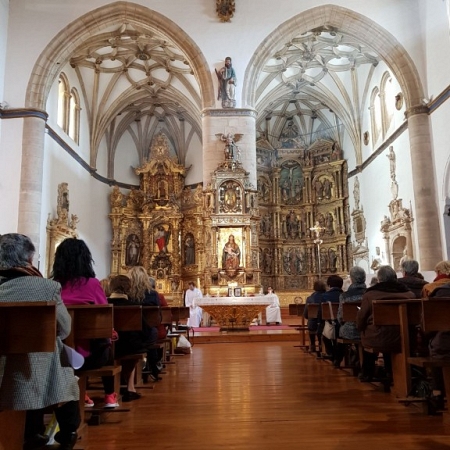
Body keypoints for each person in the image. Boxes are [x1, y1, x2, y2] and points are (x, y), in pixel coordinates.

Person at [0, 233, 80, 450]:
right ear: (28, 259)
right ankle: (68, 430)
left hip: (2, 368)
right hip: (39, 369)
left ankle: (32, 431)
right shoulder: (46, 287)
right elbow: (65, 328)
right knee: (57, 364)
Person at [52, 238, 119, 409]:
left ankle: (83, 393)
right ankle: (109, 395)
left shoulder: (52, 286)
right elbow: (105, 318)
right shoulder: (93, 284)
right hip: (88, 357)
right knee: (108, 345)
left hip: (56, 356)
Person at [356, 265, 415, 381]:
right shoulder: (409, 294)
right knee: (390, 335)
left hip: (378, 337)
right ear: (395, 277)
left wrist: (360, 327)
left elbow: (361, 319)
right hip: (405, 336)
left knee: (374, 335)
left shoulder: (370, 295)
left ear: (379, 279)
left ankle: (367, 372)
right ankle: (391, 371)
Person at [107, 275, 145, 402]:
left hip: (108, 345)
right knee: (134, 348)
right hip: (129, 346)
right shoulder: (134, 305)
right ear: (128, 288)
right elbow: (143, 326)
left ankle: (112, 390)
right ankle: (130, 387)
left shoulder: (104, 304)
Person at [128, 266, 162, 382]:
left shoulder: (127, 295)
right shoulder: (152, 294)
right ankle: (153, 369)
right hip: (147, 334)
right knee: (151, 333)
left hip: (129, 336)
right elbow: (158, 318)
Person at [335, 267, 367, 368]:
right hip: (368, 330)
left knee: (341, 331)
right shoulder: (370, 294)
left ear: (351, 279)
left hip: (351, 330)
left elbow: (340, 317)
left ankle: (338, 360)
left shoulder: (345, 296)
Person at [321, 275, 344, 361]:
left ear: (329, 285)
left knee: (324, 334)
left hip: (331, 323)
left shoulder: (325, 296)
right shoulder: (344, 295)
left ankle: (331, 353)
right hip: (343, 323)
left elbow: (321, 312)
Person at [303, 280, 327, 354]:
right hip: (325, 323)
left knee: (312, 324)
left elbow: (306, 314)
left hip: (312, 323)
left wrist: (309, 318)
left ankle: (312, 344)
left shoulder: (310, 298)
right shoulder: (327, 296)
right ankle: (320, 344)